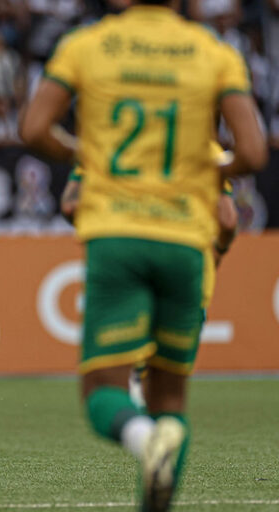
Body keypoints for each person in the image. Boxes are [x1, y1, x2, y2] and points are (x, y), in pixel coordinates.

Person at [20, 1, 266, 510]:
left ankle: (139, 436)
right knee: (171, 402)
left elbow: (33, 129)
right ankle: (158, 451)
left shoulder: (87, 45)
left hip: (119, 235)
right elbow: (253, 154)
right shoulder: (215, 52)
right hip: (186, 240)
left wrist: (81, 152)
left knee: (101, 392)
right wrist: (211, 166)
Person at [61, 142, 239, 408]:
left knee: (109, 378)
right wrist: (219, 250)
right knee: (166, 383)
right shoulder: (206, 146)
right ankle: (155, 425)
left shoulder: (106, 134)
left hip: (125, 255)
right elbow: (228, 220)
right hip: (186, 260)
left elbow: (71, 206)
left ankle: (133, 424)